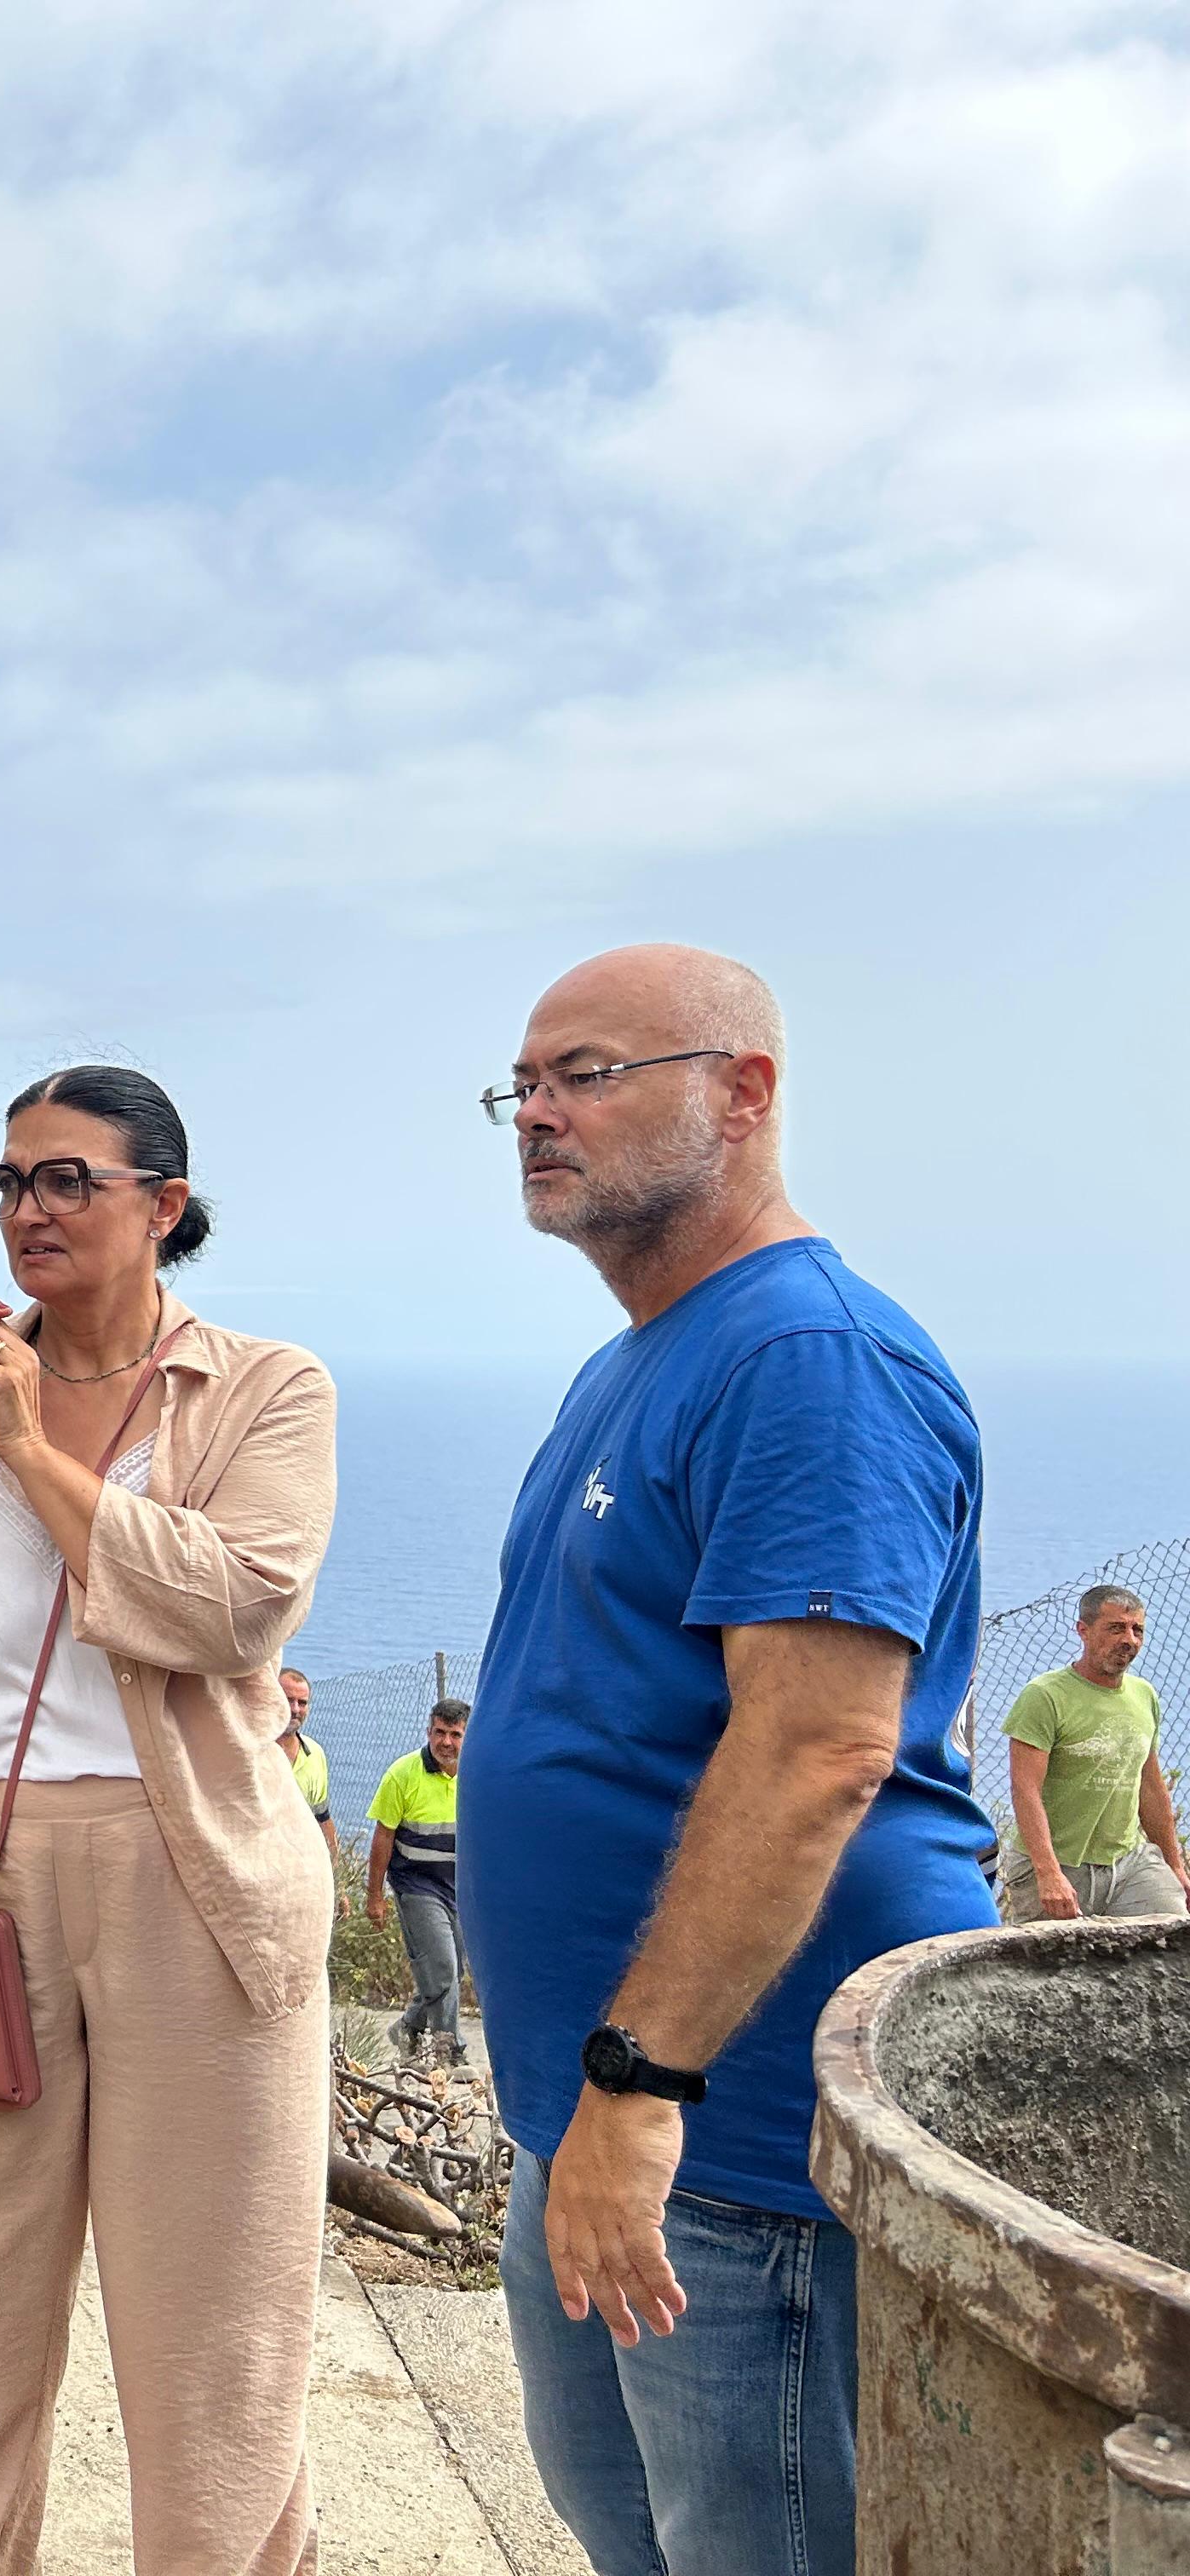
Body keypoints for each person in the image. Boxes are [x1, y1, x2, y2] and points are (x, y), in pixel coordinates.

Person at [455, 946, 997, 2576]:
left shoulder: (808, 1358)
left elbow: (821, 1745)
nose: (536, 1111)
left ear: (742, 1091)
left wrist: (640, 2084)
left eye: (586, 1072)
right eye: (520, 1083)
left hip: (732, 2141)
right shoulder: (640, 1357)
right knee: (634, 2537)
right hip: (604, 2111)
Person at [0, 1064, 336, 2576]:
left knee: (214, 2348)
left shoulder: (264, 1386)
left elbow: (236, 1609)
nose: (27, 1210)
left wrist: (34, 1452)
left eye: (65, 1180)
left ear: (163, 1205)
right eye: (9, 1181)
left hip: (192, 1878)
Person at [997, 1586, 1185, 1923]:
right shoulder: (1045, 1696)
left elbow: (1151, 1787)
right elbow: (1025, 1790)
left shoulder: (1144, 1696)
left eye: (1137, 1630)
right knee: (1053, 1955)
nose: (1129, 1640)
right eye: (1116, 1628)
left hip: (1129, 1863)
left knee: (1174, 1935)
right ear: (1083, 1630)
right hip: (1058, 1863)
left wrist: (1176, 1867)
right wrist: (1048, 1872)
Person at [366, 1698, 469, 2063]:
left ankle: (409, 2027)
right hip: (416, 1886)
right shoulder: (402, 1774)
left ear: (467, 1737)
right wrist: (374, 1895)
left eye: (455, 1735)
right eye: (439, 1733)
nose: (446, 1742)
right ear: (428, 1732)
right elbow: (383, 1837)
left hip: (460, 1888)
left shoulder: (478, 1776)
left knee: (454, 1969)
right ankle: (449, 2052)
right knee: (442, 1967)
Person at [278, 1665, 338, 1865]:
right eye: (288, 1700)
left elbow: (323, 1817)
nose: (295, 1709)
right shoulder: (249, 1750)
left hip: (299, 1864)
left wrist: (335, 1869)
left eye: (302, 1703)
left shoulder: (315, 1754)